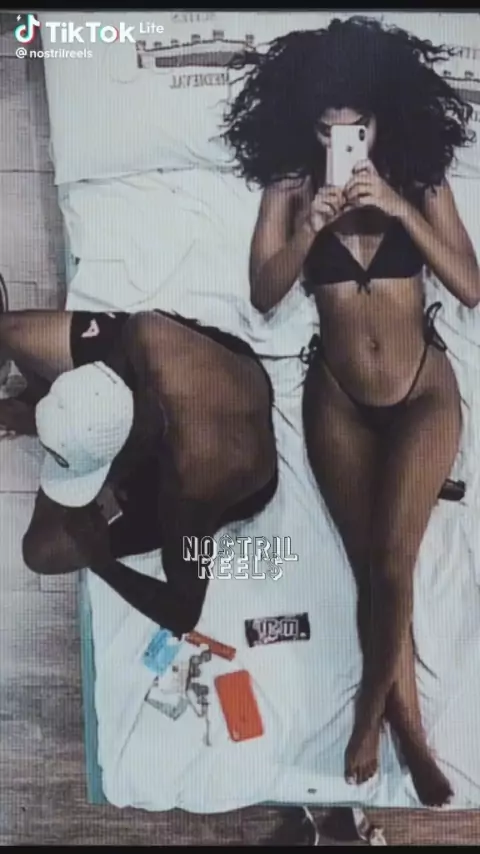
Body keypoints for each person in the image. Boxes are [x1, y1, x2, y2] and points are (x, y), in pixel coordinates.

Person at [223, 15, 480, 805]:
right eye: (328, 128)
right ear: (307, 123)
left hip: (421, 392)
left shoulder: (419, 178)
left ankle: (371, 717)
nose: (345, 140)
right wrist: (308, 229)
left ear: (382, 116)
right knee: (371, 563)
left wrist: (400, 209)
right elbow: (264, 292)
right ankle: (407, 724)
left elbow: (470, 286)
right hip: (335, 397)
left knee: (393, 562)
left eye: (358, 125)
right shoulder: (291, 187)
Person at [0, 308, 277, 637]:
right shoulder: (144, 333)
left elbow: (183, 613)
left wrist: (102, 562)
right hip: (189, 383)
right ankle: (54, 416)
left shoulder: (189, 494)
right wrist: (50, 419)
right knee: (8, 330)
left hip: (227, 462)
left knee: (41, 551)